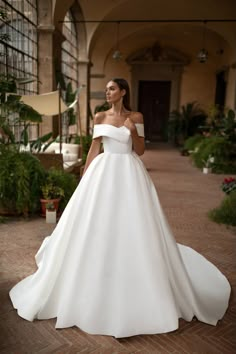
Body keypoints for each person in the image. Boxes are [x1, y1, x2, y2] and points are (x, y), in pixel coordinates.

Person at [9, 78, 230, 338]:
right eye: (107, 89)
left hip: (129, 172)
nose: (108, 92)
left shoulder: (136, 116)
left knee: (134, 224)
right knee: (96, 225)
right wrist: (84, 179)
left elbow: (141, 150)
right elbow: (94, 148)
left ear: (123, 92)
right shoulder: (100, 116)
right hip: (102, 173)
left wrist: (133, 132)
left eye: (112, 88)